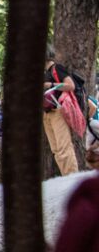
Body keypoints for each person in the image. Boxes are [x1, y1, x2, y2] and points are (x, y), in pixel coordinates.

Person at [43, 45, 79, 176]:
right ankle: (66, 177)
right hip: (47, 113)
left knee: (64, 148)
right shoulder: (45, 72)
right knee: (56, 150)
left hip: (57, 111)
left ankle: (72, 180)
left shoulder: (56, 69)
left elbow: (71, 86)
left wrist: (51, 85)